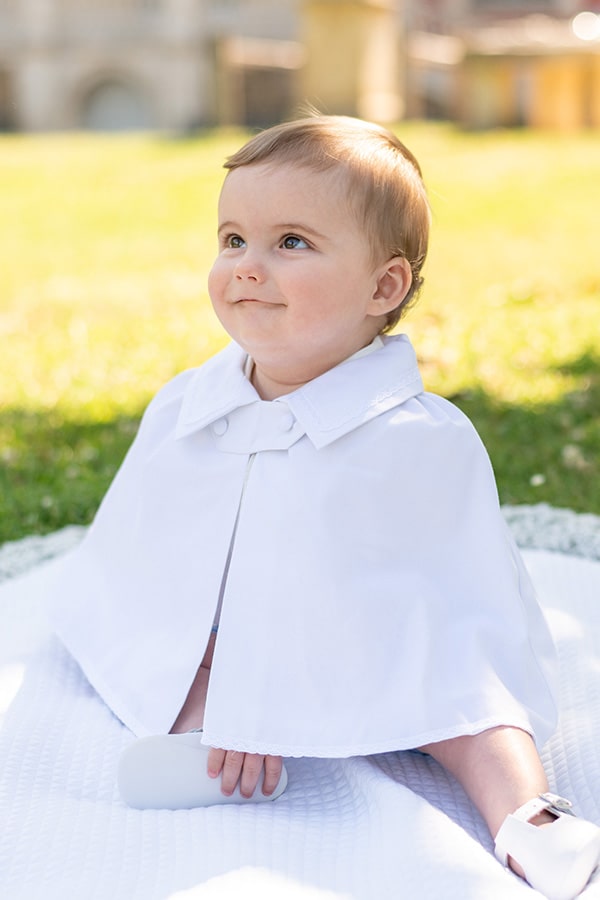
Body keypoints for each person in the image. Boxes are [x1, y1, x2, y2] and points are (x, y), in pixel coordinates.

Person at [49, 115, 600, 899]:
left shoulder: (417, 439)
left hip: (384, 640)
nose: (246, 268)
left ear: (384, 286)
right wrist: (228, 674)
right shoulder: (190, 409)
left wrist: (312, 677)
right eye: (232, 239)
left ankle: (527, 816)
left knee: (475, 713)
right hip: (224, 634)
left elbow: (457, 605)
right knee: (176, 674)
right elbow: (156, 559)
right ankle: (221, 718)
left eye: (292, 244)